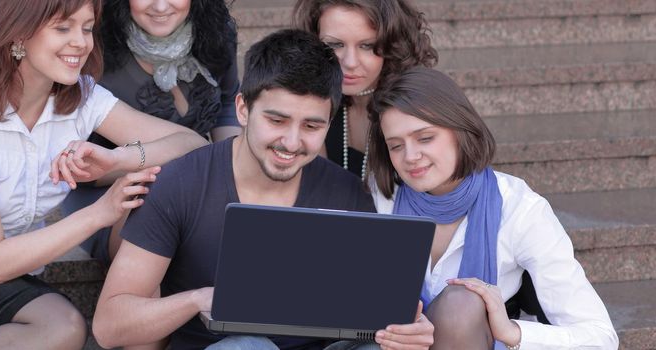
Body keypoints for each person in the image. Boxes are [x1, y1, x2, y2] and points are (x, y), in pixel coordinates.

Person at [0, 0, 207, 349]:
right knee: (63, 328)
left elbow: (193, 144)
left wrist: (117, 158)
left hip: (13, 263)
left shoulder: (83, 98)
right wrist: (99, 213)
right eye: (63, 28)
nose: (80, 42)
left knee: (64, 325)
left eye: (86, 27)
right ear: (19, 33)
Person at [92, 29, 434, 350]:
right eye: (277, 120)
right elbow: (109, 326)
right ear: (243, 108)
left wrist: (407, 331)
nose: (291, 142)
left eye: (312, 125)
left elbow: (374, 317)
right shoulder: (182, 183)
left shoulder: (346, 193)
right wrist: (196, 300)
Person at [366, 66, 619, 349]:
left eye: (425, 138)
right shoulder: (381, 198)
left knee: (461, 304)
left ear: (460, 130)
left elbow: (600, 336)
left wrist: (513, 332)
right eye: (396, 145)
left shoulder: (520, 209)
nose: (410, 156)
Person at [63, 0, 241, 264]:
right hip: (109, 190)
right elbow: (80, 167)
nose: (160, 6)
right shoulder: (92, 44)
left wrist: (234, 171)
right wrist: (178, 165)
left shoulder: (217, 31)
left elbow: (227, 102)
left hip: (198, 174)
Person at [293, 0, 437, 179]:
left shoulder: (418, 106)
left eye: (367, 46)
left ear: (394, 45)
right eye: (334, 45)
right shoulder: (307, 100)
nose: (350, 62)